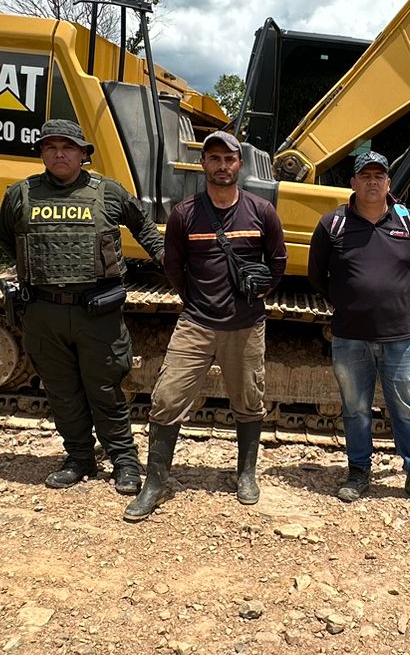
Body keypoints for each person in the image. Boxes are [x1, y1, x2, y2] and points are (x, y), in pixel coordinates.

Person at [123, 130, 287, 521]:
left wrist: (256, 294)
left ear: (239, 164)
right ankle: (155, 483)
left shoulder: (261, 211)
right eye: (214, 158)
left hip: (246, 325)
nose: (222, 166)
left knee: (248, 400)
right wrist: (194, 300)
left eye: (229, 159)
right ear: (203, 164)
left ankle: (245, 474)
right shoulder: (185, 214)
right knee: (166, 399)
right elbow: (174, 267)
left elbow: (277, 261)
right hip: (196, 322)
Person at [0, 119, 165, 493]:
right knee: (62, 391)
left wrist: (165, 257)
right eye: (50, 147)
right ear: (40, 153)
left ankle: (124, 461)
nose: (59, 154)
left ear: (83, 155)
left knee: (105, 389)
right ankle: (79, 458)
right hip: (43, 311)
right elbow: (10, 239)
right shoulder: (20, 195)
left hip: (97, 311)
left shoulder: (107, 192)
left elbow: (144, 228)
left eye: (68, 147)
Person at [307, 151, 410, 512]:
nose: (372, 181)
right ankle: (358, 471)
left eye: (378, 176)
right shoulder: (332, 223)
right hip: (350, 337)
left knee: (406, 410)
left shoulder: (408, 221)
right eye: (364, 175)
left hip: (399, 337)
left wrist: (397, 303)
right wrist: (348, 302)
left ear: (388, 183)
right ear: (352, 182)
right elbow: (317, 275)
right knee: (355, 409)